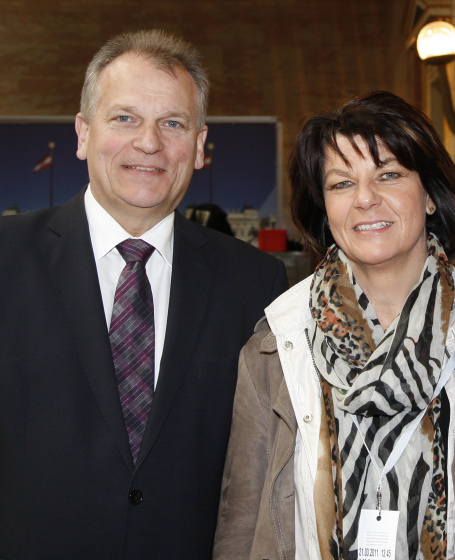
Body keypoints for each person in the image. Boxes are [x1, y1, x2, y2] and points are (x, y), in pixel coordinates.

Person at [213, 91, 455, 559]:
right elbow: (240, 525)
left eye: (389, 175)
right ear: (325, 207)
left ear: (428, 197)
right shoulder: (273, 348)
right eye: (341, 184)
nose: (365, 199)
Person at [0, 29, 288, 559]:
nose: (149, 142)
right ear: (83, 133)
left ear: (199, 148)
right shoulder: (5, 258)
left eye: (172, 123)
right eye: (125, 118)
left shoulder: (257, 285)